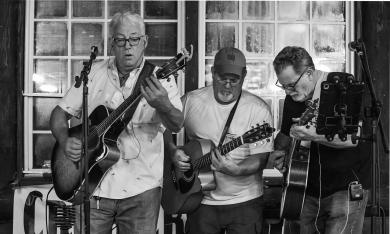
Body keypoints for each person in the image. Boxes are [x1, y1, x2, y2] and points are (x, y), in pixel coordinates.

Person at [50, 12, 183, 234]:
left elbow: (177, 124)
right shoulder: (93, 73)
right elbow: (58, 114)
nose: (127, 46)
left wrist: (164, 105)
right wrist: (64, 140)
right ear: (112, 43)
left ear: (145, 42)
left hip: (141, 188)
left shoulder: (161, 78)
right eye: (120, 40)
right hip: (91, 185)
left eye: (134, 39)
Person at [166, 47, 274, 234]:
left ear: (244, 75)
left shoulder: (258, 110)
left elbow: (260, 159)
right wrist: (172, 150)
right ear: (213, 72)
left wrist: (236, 169)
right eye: (221, 78)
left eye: (234, 80)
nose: (227, 85)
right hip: (200, 201)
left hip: (245, 202)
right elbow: (164, 126)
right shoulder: (191, 101)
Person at [271, 46, 370, 233]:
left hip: (344, 188)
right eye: (282, 85)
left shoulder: (342, 87)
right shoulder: (293, 99)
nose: (287, 91)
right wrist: (279, 154)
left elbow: (354, 138)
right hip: (304, 189)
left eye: (291, 85)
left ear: (309, 73)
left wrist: (313, 135)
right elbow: (285, 135)